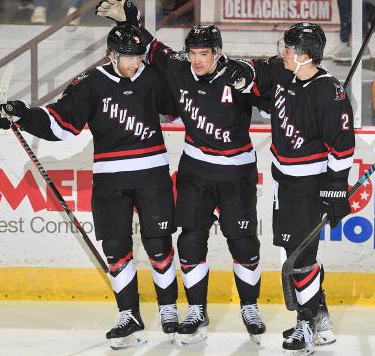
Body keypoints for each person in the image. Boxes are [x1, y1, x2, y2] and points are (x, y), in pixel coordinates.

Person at [0, 24, 180, 350]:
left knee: (159, 245)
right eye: (128, 58)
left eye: (138, 57)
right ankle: (128, 316)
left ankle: (168, 309)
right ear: (111, 55)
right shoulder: (90, 83)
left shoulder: (151, 77)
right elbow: (62, 123)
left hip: (152, 174)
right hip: (110, 179)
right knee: (116, 249)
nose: (134, 63)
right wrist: (21, 115)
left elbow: (177, 105)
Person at [96, 0, 266, 346]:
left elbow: (269, 99)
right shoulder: (177, 66)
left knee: (243, 242)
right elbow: (149, 47)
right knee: (189, 241)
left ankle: (250, 307)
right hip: (195, 171)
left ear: (218, 53)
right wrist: (130, 18)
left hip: (236, 174)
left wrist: (250, 84)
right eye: (193, 52)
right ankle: (196, 310)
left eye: (205, 53)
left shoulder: (237, 74)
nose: (198, 59)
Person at [219, 22, 354, 355]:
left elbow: (342, 146)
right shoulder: (283, 71)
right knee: (293, 253)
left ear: (304, 55)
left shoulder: (330, 92)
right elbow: (256, 73)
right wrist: (238, 73)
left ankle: (306, 325)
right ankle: (321, 322)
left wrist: (336, 185)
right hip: (284, 181)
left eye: (288, 47)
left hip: (308, 186)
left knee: (300, 258)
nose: (282, 51)